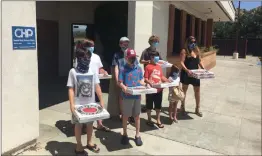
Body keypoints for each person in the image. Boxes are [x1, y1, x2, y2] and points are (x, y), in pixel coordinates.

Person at [67, 43, 103, 155]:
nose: (86, 60)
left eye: (88, 58)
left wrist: (101, 101)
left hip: (91, 104)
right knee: (78, 125)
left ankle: (89, 142)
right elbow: (71, 89)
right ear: (78, 58)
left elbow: (97, 86)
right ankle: (78, 145)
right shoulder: (73, 72)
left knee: (90, 124)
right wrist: (71, 104)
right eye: (84, 58)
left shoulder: (92, 71)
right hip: (78, 105)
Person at [82, 39, 110, 132]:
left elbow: (100, 68)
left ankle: (99, 124)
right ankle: (86, 124)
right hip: (85, 85)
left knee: (98, 103)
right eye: (89, 46)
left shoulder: (97, 57)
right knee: (87, 105)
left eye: (92, 46)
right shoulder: (82, 56)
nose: (91, 48)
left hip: (96, 83)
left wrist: (104, 71)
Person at [118, 48, 145, 146]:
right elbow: (120, 82)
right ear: (126, 58)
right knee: (125, 116)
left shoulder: (138, 68)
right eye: (130, 58)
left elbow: (141, 80)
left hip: (137, 96)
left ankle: (137, 135)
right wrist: (124, 87)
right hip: (127, 96)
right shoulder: (123, 69)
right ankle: (125, 134)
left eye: (134, 58)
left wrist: (144, 84)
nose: (132, 60)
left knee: (137, 116)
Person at [112, 37, 138, 124]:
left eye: (127, 43)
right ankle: (123, 114)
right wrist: (117, 80)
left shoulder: (131, 53)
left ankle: (131, 115)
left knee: (132, 98)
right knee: (122, 97)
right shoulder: (117, 55)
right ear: (120, 44)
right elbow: (116, 68)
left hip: (131, 79)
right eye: (123, 43)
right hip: (122, 79)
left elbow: (136, 67)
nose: (125, 44)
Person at [180, 36, 206, 117]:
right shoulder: (184, 51)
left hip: (195, 74)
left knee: (197, 91)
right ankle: (182, 107)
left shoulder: (196, 51)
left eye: (194, 42)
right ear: (187, 42)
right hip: (186, 74)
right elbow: (181, 62)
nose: (193, 43)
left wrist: (203, 69)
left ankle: (197, 109)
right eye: (191, 42)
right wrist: (187, 70)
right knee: (184, 91)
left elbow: (199, 61)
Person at [144, 51, 170, 128]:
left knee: (158, 106)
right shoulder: (147, 67)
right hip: (150, 90)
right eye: (155, 57)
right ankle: (149, 119)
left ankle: (158, 120)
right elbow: (145, 78)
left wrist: (168, 80)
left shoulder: (159, 66)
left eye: (157, 57)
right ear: (151, 58)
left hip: (159, 90)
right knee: (149, 105)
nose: (157, 58)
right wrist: (150, 82)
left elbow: (161, 76)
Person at [139, 35, 163, 112]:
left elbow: (161, 61)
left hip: (156, 74)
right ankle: (148, 106)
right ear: (150, 42)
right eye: (154, 42)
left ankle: (155, 106)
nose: (155, 43)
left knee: (156, 91)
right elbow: (140, 61)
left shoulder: (157, 52)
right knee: (149, 91)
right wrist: (147, 61)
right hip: (148, 74)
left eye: (157, 42)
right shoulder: (145, 51)